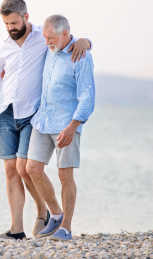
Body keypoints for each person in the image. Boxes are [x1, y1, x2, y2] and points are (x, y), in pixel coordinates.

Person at [0, 0, 92, 241]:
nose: (10, 27)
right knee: (13, 170)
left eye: (13, 22)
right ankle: (16, 229)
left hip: (33, 113)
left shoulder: (43, 40)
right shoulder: (5, 46)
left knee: (26, 168)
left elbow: (67, 41)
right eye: (6, 23)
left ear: (25, 17)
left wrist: (86, 42)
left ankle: (49, 215)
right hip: (8, 112)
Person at [26, 14, 95, 241]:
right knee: (32, 169)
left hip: (67, 124)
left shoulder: (81, 56)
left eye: (51, 37)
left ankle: (66, 228)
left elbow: (87, 98)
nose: (47, 42)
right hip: (42, 121)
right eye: (45, 37)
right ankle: (55, 214)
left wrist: (73, 127)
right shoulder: (50, 50)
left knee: (65, 175)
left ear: (65, 34)